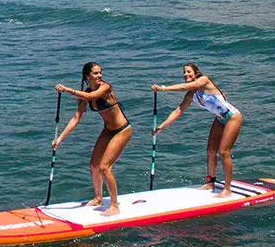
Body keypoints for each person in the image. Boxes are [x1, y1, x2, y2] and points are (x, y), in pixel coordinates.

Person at [151, 63, 244, 198]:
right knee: (210, 151)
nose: (186, 74)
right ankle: (210, 182)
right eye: (184, 72)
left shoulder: (204, 81)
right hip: (219, 118)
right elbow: (178, 111)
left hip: (232, 117)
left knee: (224, 152)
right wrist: (161, 126)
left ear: (196, 73)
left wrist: (163, 88)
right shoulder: (191, 95)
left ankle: (227, 189)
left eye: (189, 71)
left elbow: (184, 86)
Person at [52, 62, 132, 216]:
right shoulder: (85, 95)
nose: (99, 76)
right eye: (95, 73)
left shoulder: (105, 87)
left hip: (122, 130)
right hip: (108, 130)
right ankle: (98, 198)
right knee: (94, 165)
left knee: (104, 167)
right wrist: (59, 139)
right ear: (87, 76)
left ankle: (114, 206)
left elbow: (91, 96)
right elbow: (76, 118)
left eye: (100, 72)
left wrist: (67, 90)